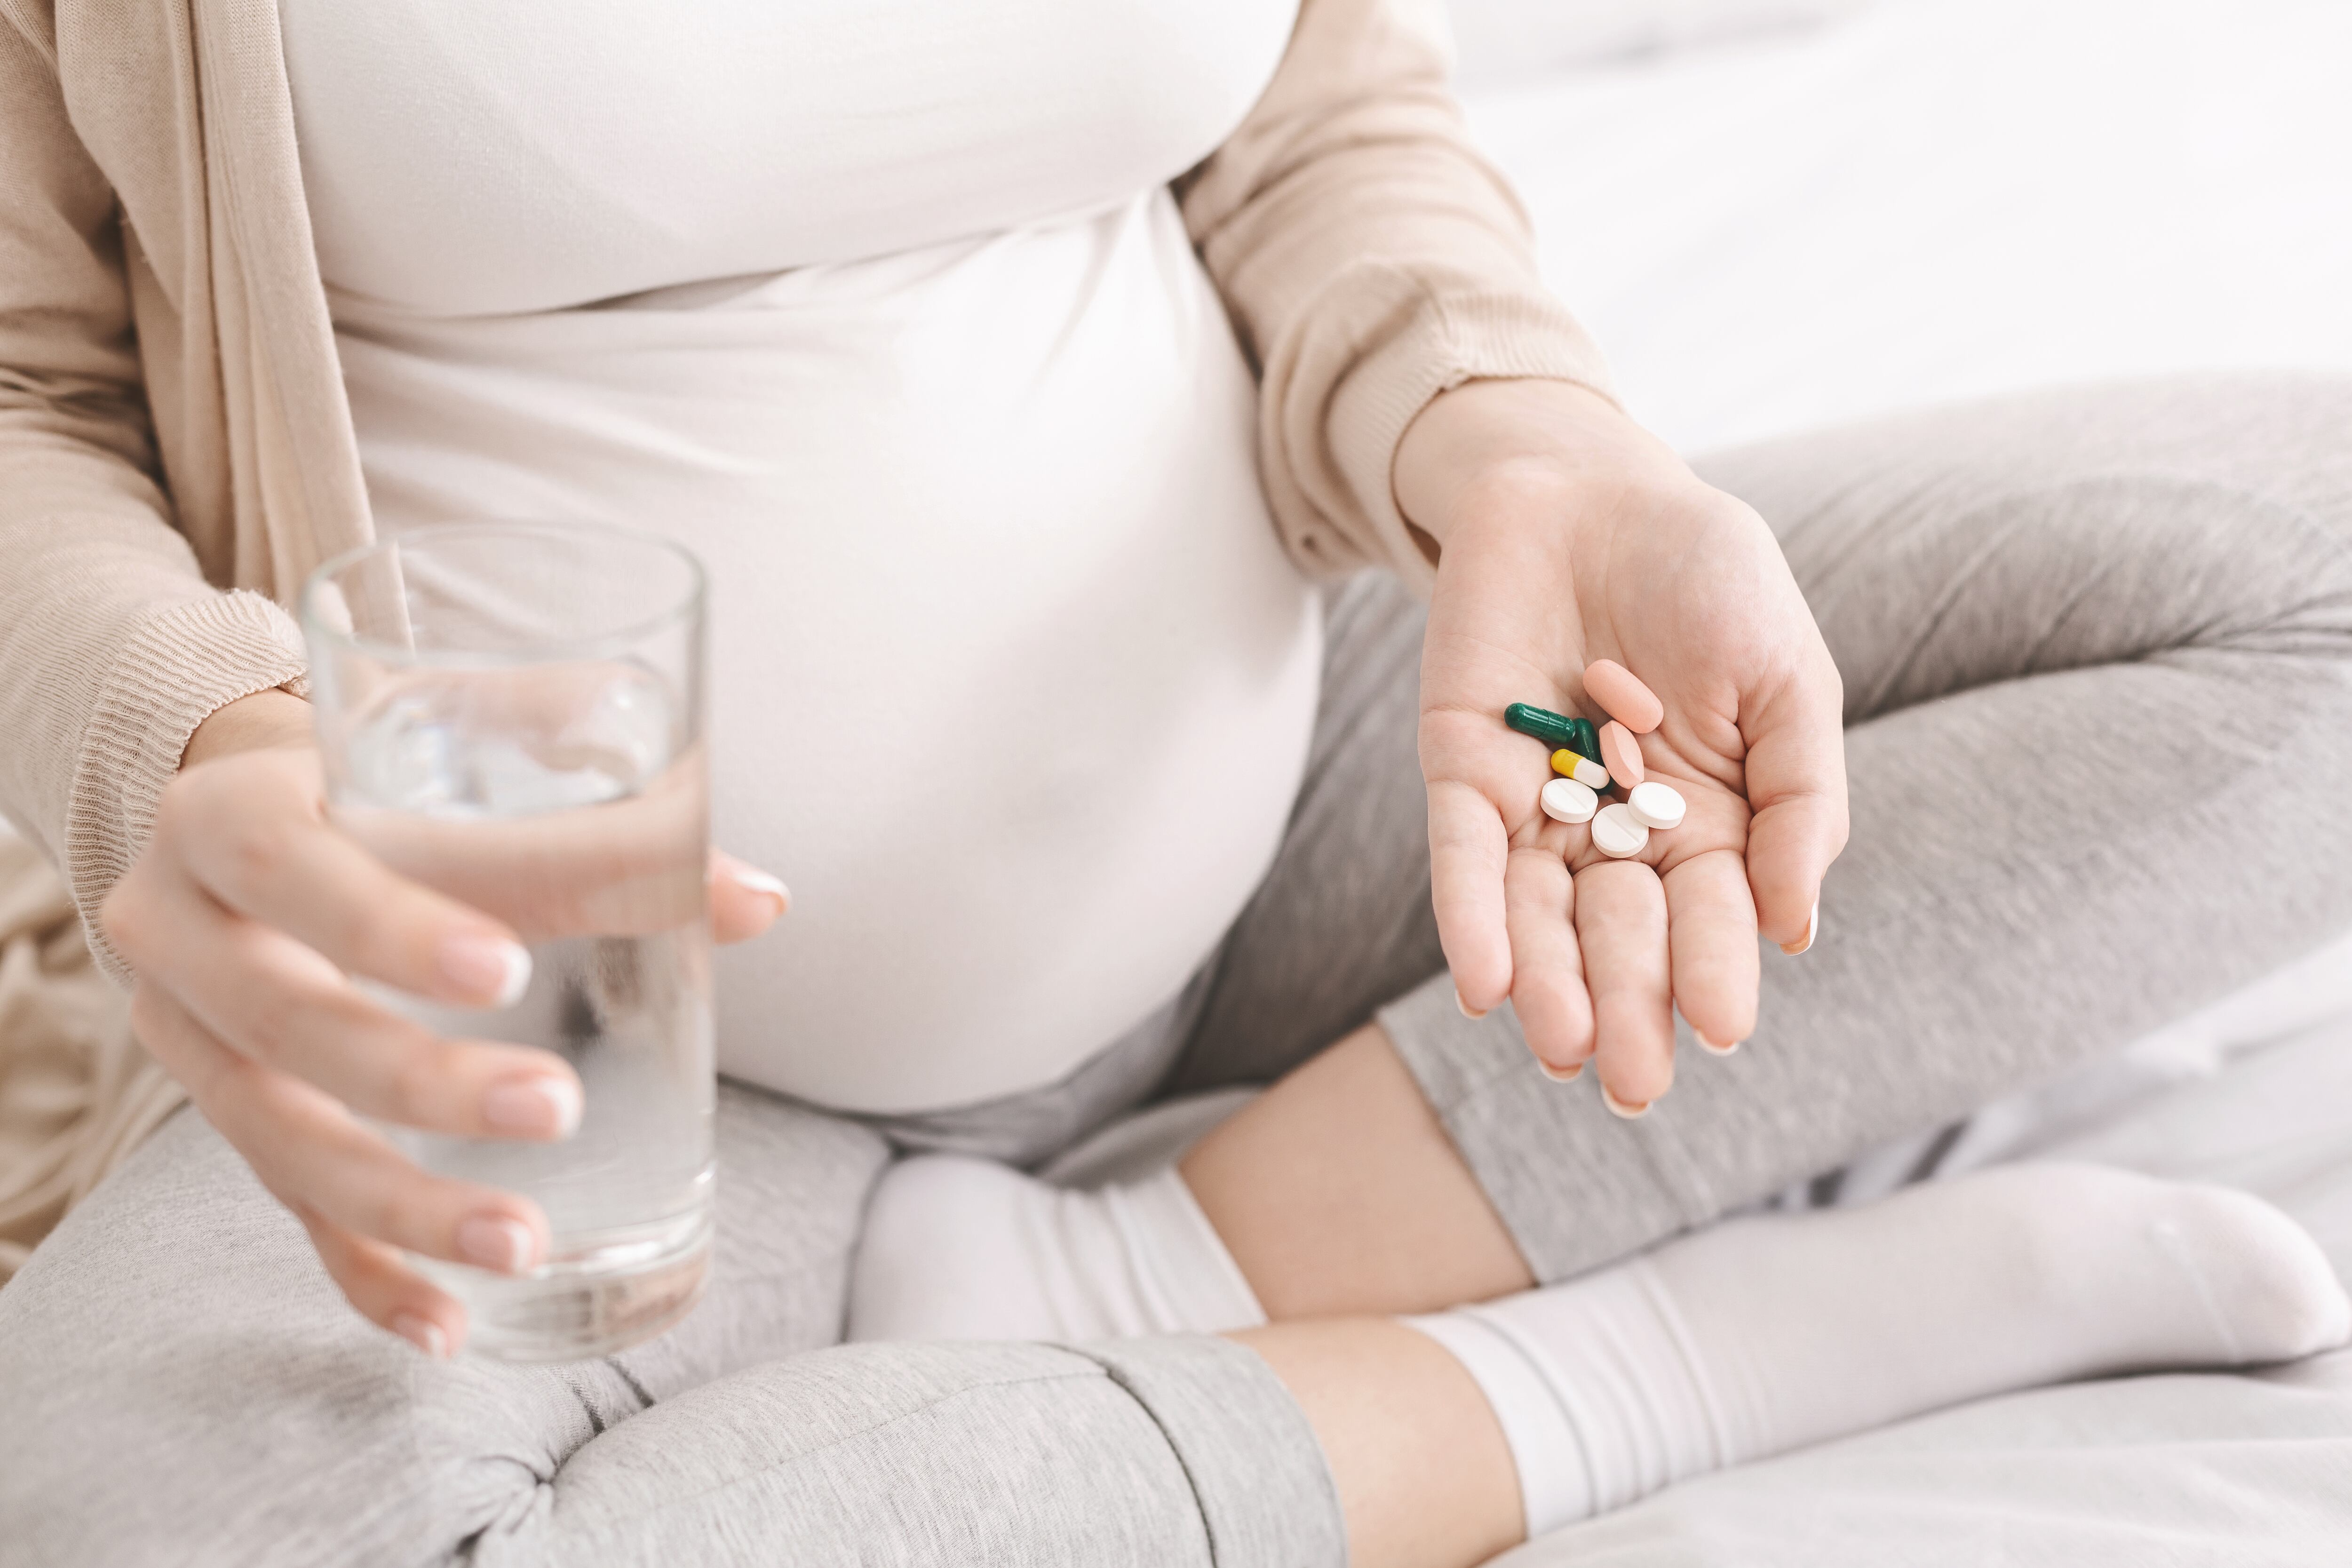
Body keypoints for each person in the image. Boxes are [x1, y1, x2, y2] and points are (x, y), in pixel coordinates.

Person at [2, 0, 2349, 1563]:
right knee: (145, 1504)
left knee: (2316, 566)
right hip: (579, 1017)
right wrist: (178, 743)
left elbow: (1300, 104)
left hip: (1390, 759)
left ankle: (1147, 1273)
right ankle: (1633, 1368)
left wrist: (1511, 436)